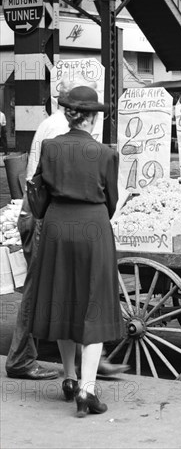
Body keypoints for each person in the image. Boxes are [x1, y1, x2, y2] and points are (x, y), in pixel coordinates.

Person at [6, 90, 127, 381]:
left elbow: (39, 194)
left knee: (61, 298)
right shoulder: (107, 154)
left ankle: (70, 379)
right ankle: (87, 388)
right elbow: (112, 201)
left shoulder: (50, 147)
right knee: (93, 300)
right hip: (93, 228)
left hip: (56, 227)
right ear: (93, 117)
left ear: (70, 115)